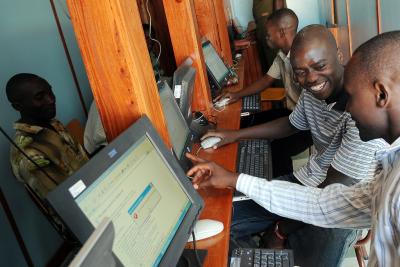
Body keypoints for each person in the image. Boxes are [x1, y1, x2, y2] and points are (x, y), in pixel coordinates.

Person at [187, 30, 400, 267]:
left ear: (381, 94)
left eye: (351, 98)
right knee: (221, 219)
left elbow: (331, 195)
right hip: (316, 189)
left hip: (332, 200)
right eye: (300, 72)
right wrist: (235, 176)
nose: (346, 109)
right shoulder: (389, 174)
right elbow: (325, 203)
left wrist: (279, 229)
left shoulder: (375, 146)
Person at [218, 8, 312, 177]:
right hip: (291, 114)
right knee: (248, 121)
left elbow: (303, 119)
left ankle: (281, 186)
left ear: (282, 32)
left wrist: (237, 135)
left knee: (277, 148)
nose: (266, 36)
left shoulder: (302, 60)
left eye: (269, 33)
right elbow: (266, 80)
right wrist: (237, 95)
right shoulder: (282, 55)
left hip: (307, 126)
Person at [6, 73, 88, 200]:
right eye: (39, 97)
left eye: (50, 92)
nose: (51, 100)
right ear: (18, 106)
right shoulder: (28, 152)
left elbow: (80, 159)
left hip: (92, 184)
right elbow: (64, 200)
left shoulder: (51, 122)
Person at [252, 0, 285, 72]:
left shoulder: (271, 25)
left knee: (275, 67)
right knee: (268, 68)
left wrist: (276, 24)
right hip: (262, 23)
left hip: (269, 22)